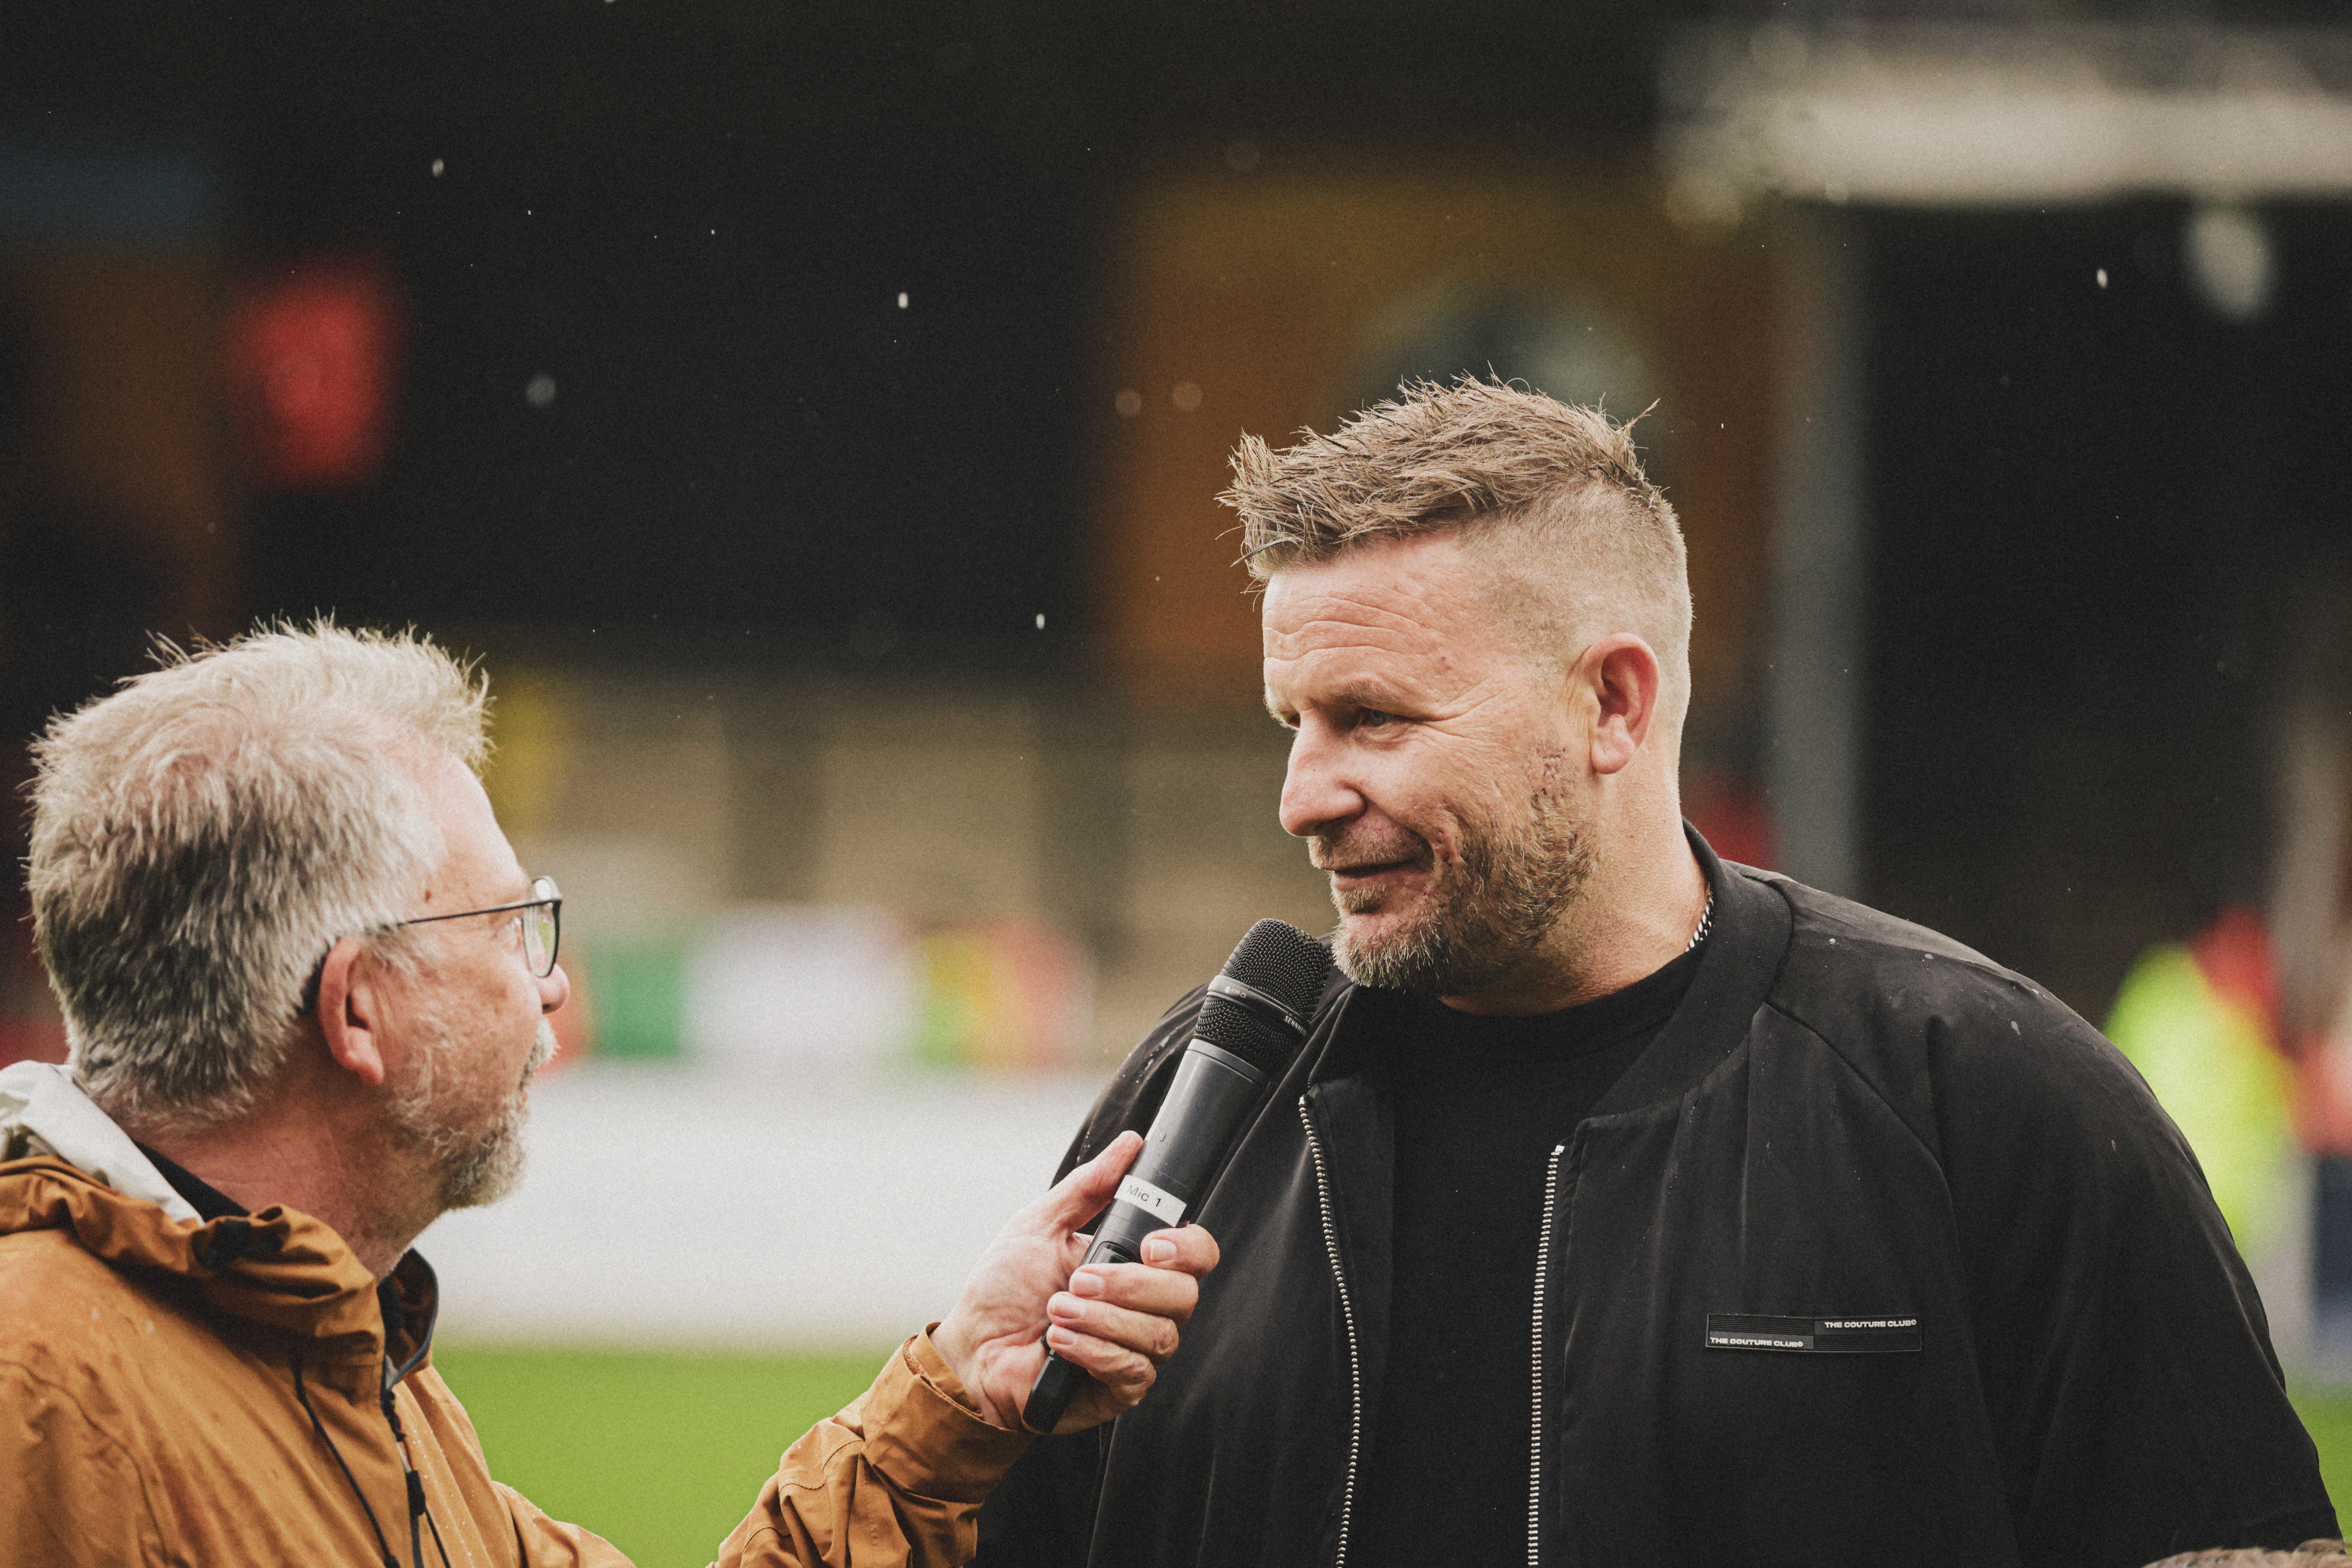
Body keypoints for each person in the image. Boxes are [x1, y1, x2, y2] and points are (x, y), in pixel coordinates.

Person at [975, 379, 2337, 1568]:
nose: (1302, 796)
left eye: (1372, 718)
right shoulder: (1207, 1102)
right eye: (1295, 723)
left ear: (1612, 705)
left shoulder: (1988, 1098)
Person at [0, 623, 1218, 1568]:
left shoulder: (343, 1366)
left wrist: (956, 1387)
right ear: (357, 1009)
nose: (553, 984)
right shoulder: (39, 1393)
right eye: (511, 925)